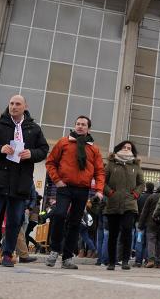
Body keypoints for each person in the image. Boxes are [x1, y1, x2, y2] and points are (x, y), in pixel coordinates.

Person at [0, 95, 49, 267]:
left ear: (25, 106)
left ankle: (8, 254)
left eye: (18, 104)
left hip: (20, 182)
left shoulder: (33, 128)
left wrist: (32, 154)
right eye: (11, 103)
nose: (14, 106)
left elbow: (43, 150)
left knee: (15, 220)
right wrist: (0, 149)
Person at [44, 115, 106, 269]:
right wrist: (57, 180)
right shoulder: (64, 142)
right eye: (77, 124)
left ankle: (67, 258)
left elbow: (99, 171)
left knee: (75, 223)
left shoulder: (94, 148)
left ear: (88, 128)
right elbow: (50, 162)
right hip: (64, 187)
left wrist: (99, 190)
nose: (79, 126)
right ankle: (54, 250)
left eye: (83, 124)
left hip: (82, 190)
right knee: (59, 215)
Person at [102, 140, 144, 270]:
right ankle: (111, 262)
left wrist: (135, 194)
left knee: (127, 232)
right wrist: (110, 193)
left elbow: (141, 184)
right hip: (113, 204)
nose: (126, 149)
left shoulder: (136, 166)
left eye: (129, 148)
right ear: (119, 149)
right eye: (124, 147)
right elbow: (102, 181)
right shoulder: (111, 164)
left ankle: (125, 261)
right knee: (112, 234)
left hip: (129, 204)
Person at [139, 183, 160, 268]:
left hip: (151, 223)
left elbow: (144, 212)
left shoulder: (151, 197)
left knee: (151, 242)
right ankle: (158, 262)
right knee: (159, 243)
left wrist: (140, 224)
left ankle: (151, 260)